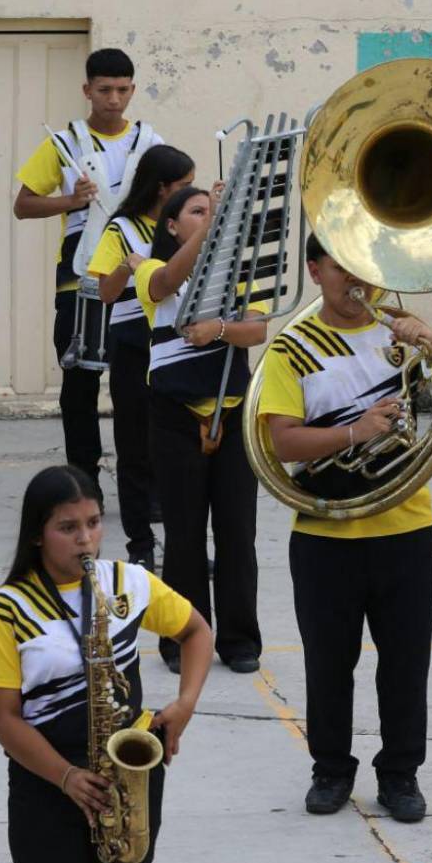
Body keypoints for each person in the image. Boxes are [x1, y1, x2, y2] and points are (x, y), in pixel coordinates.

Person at [257, 233, 432, 822]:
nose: (355, 279)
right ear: (315, 271)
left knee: (406, 665)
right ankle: (331, 771)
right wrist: (353, 433)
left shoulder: (401, 335)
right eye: (340, 266)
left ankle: (401, 775)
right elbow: (280, 442)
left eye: (361, 265)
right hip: (324, 534)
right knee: (328, 665)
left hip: (404, 530)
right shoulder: (292, 348)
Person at [0, 465, 212, 863]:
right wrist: (66, 776)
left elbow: (197, 632)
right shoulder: (6, 610)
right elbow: (3, 719)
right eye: (67, 527)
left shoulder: (126, 582)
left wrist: (186, 702)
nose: (85, 539)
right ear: (36, 535)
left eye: (94, 522)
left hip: (128, 779)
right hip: (46, 783)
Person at [13, 47, 162, 498]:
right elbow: (23, 205)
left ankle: (143, 489)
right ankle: (84, 486)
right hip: (79, 277)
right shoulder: (64, 143)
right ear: (87, 90)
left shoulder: (151, 143)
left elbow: (170, 201)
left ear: (132, 90)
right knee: (79, 385)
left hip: (135, 274)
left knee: (138, 386)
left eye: (122, 90)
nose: (113, 99)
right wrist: (71, 201)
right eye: (104, 90)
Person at [133, 185, 267, 675]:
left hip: (232, 413)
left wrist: (220, 330)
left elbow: (257, 329)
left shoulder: (239, 274)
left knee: (237, 530)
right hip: (175, 416)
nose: (207, 216)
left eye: (212, 211)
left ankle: (239, 640)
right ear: (172, 226)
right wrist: (213, 228)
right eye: (196, 211)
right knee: (185, 534)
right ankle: (183, 638)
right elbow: (166, 281)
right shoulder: (151, 267)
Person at [87, 144, 196, 570]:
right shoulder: (122, 229)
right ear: (162, 187)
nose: (189, 192)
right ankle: (141, 545)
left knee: (179, 450)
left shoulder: (183, 225)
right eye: (184, 185)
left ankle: (186, 546)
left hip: (177, 342)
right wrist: (128, 266)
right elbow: (105, 293)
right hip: (134, 345)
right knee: (134, 448)